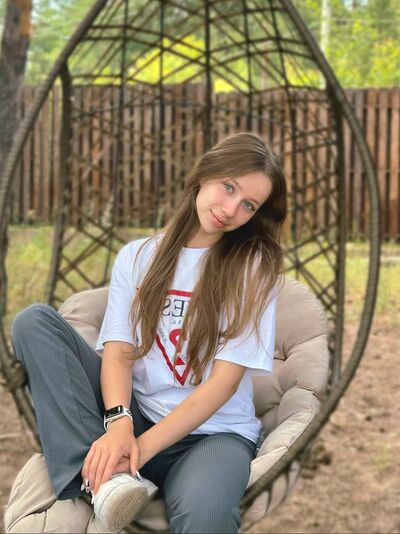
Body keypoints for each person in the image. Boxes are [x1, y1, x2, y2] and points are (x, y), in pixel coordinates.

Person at [10, 132, 287, 534]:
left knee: (206, 517)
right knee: (33, 322)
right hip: (137, 413)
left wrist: (138, 449)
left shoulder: (253, 267)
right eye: (229, 187)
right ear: (205, 173)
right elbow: (119, 353)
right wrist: (120, 425)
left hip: (212, 436)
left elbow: (223, 384)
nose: (231, 209)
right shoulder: (138, 256)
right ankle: (104, 484)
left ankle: (112, 473)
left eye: (249, 204)